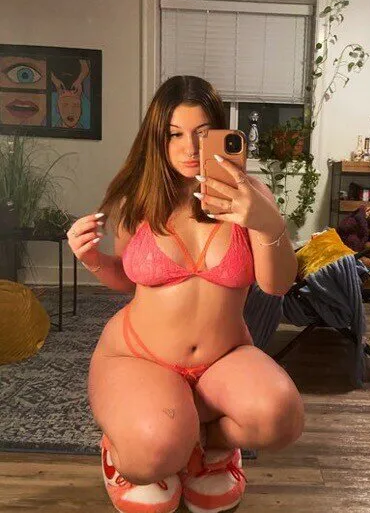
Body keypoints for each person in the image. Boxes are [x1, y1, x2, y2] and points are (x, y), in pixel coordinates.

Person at [67, 75, 304, 513]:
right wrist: (93, 259)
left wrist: (267, 223)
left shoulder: (251, 197)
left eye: (202, 133)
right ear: (157, 138)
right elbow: (129, 279)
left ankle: (206, 443)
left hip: (224, 358)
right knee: (153, 454)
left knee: (281, 418)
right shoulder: (139, 200)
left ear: (221, 133)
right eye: (174, 134)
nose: (190, 148)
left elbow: (277, 285)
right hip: (140, 355)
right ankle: (129, 449)